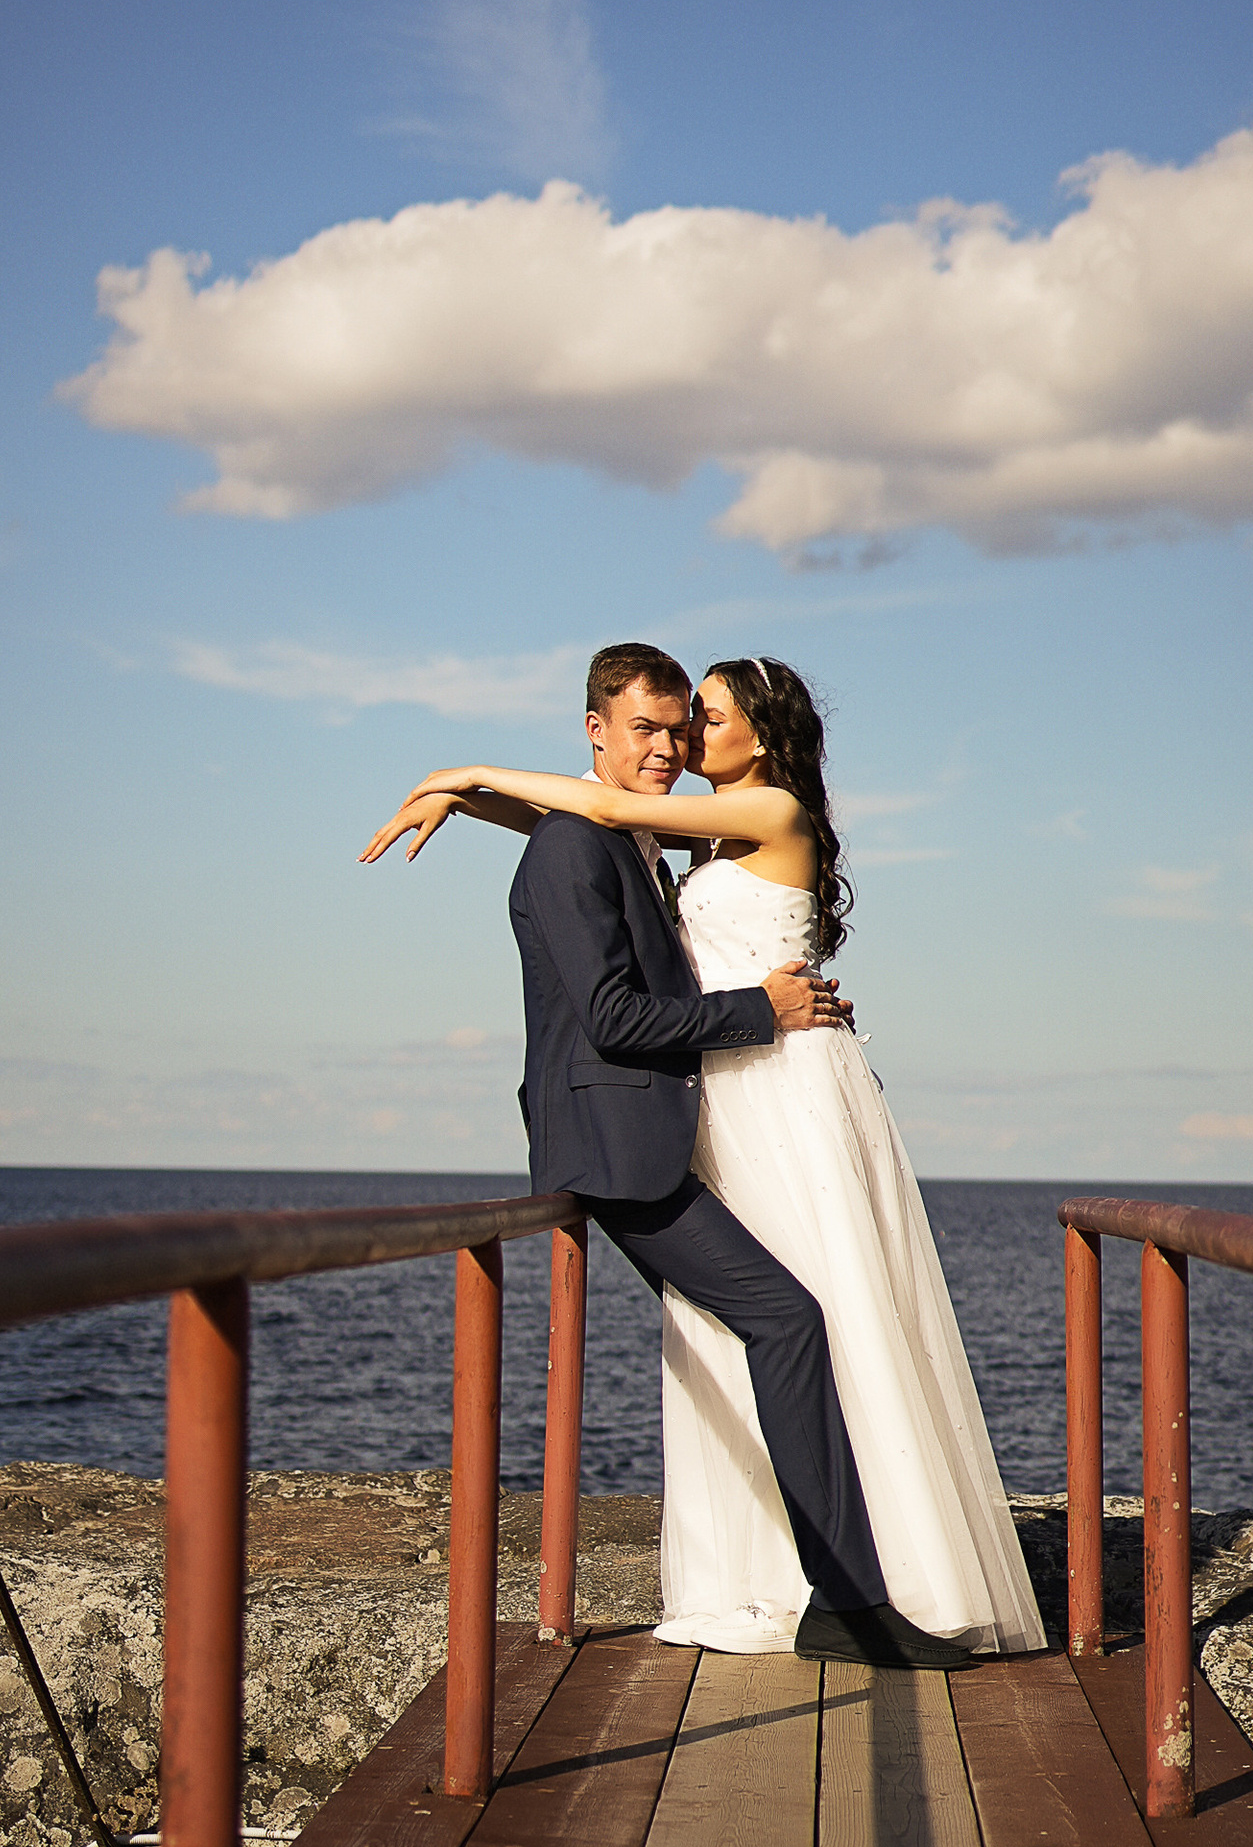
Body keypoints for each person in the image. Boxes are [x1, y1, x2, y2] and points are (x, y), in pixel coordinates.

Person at [362, 643, 1044, 1663]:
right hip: (626, 1143)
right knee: (789, 1319)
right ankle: (841, 1600)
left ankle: (826, 1587)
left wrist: (473, 790)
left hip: (725, 1115)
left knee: (794, 1322)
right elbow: (603, 979)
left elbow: (599, 823)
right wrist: (468, 787)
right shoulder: (603, 841)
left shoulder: (699, 826)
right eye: (651, 728)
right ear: (595, 730)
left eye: (689, 725)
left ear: (759, 736)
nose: (673, 746)